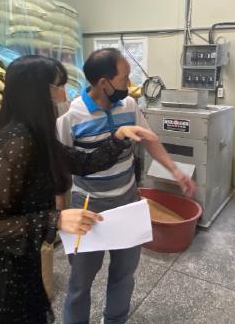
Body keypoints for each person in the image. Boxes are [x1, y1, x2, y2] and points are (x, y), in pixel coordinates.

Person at [0, 55, 158, 324]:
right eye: (59, 86)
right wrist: (56, 219)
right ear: (38, 92)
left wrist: (119, 138)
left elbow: (84, 163)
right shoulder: (16, 142)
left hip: (24, 263)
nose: (65, 95)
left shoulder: (40, 139)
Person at [58, 48, 196, 324]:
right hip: (88, 208)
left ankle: (115, 319)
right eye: (124, 78)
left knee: (124, 275)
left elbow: (149, 140)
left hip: (127, 203)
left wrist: (174, 170)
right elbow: (59, 166)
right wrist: (59, 213)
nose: (130, 84)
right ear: (104, 83)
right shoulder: (72, 117)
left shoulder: (129, 106)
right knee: (80, 282)